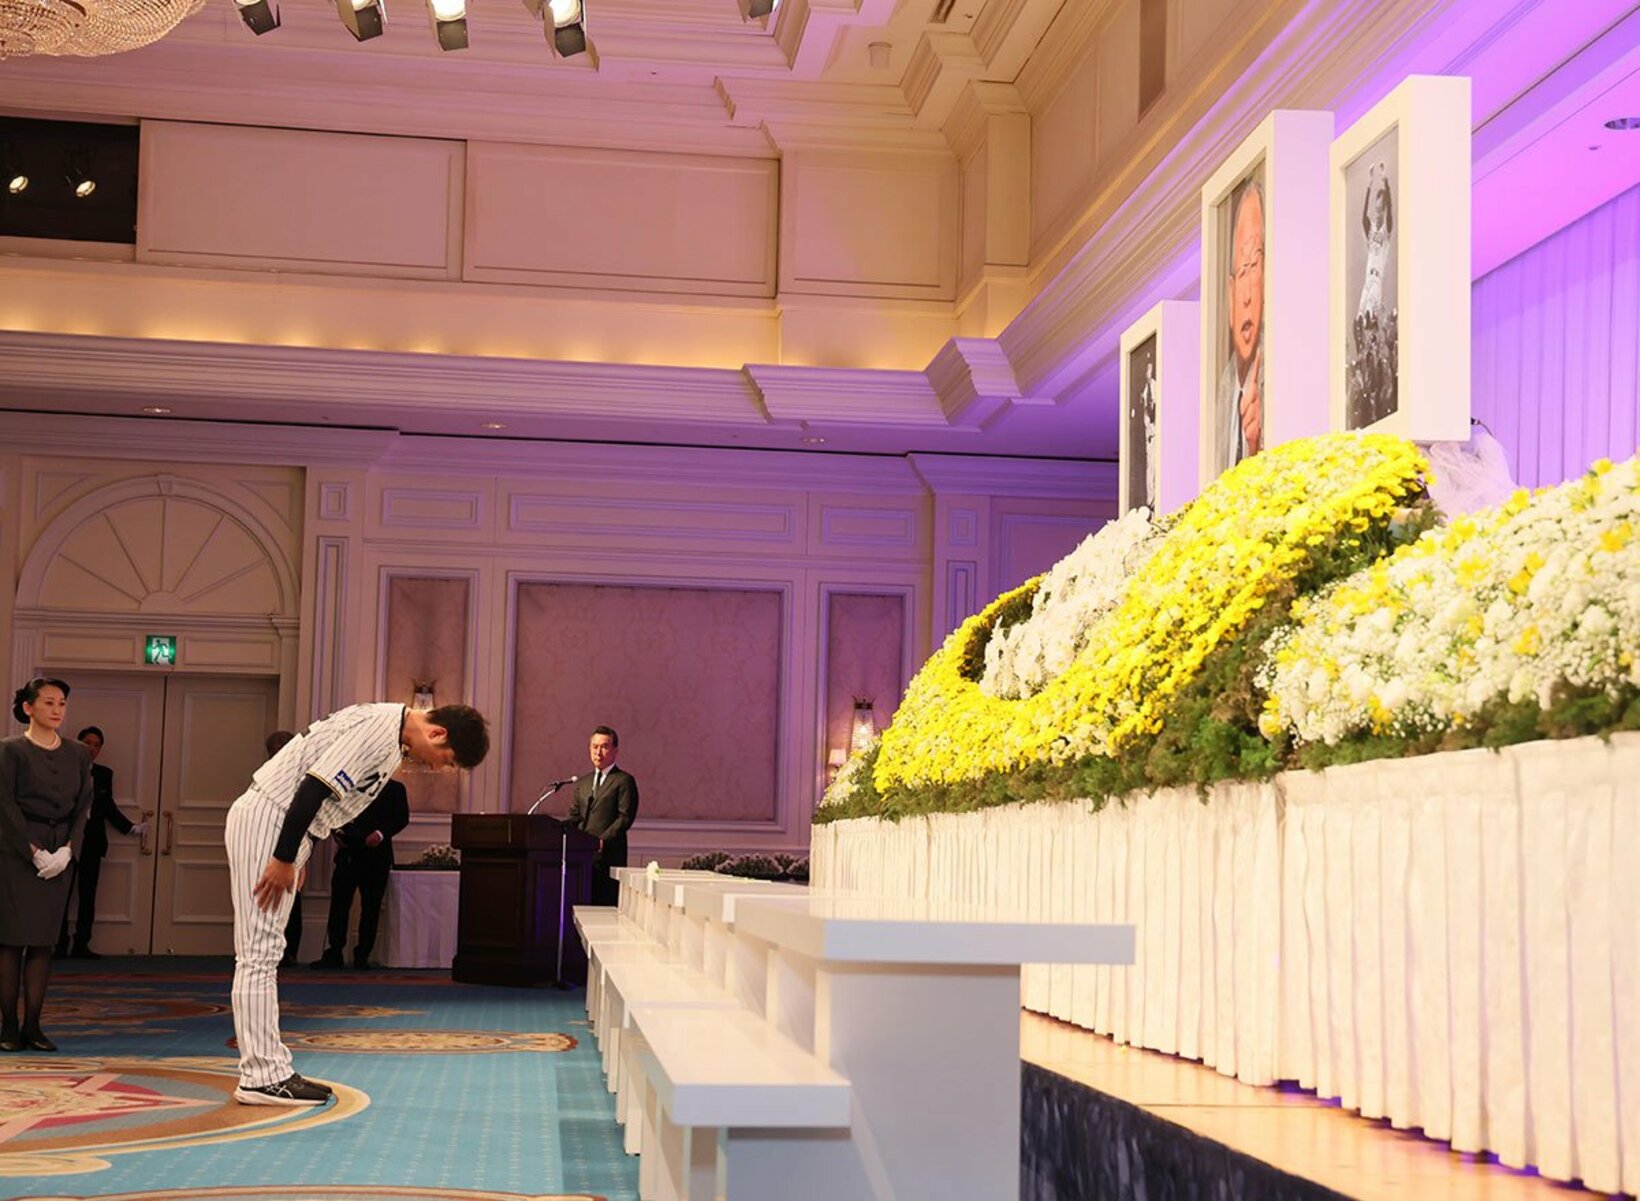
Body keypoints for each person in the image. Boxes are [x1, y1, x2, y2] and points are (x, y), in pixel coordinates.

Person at [225, 701, 488, 1105]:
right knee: (258, 954)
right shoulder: (378, 729)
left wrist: (300, 852)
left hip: (280, 824)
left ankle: (270, 1068)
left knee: (265, 952)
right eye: (445, 760)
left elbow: (323, 801)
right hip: (270, 817)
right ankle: (260, 1076)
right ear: (438, 733)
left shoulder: (391, 735)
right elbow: (313, 787)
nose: (437, 767)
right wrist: (282, 854)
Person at [0, 678, 92, 1053]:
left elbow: (83, 805)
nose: (57, 710)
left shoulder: (78, 753)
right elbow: (4, 806)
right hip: (17, 852)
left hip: (60, 852)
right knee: (10, 942)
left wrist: (69, 849)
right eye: (49, 703)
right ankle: (8, 1026)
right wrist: (32, 850)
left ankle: (34, 1025)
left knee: (43, 944)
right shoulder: (9, 750)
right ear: (29, 708)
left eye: (63, 704)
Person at [57, 726, 145, 959]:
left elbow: (107, 807)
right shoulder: (64, 770)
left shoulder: (104, 774)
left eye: (97, 744)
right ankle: (58, 945)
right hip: (66, 842)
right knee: (61, 895)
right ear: (79, 744)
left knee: (88, 894)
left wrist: (130, 828)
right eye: (88, 742)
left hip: (93, 842)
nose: (92, 748)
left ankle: (81, 945)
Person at [310, 776, 409, 970]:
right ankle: (335, 951)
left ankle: (363, 955)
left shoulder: (395, 788)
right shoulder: (349, 786)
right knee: (339, 904)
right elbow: (333, 811)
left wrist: (380, 834)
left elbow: (401, 818)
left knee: (371, 907)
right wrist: (337, 832)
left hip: (377, 855)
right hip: (349, 852)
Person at [1215, 177, 1265, 474]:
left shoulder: (1276, 377)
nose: (1246, 296)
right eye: (1241, 272)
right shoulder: (1224, 389)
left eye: (1255, 268)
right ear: (1230, 291)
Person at [566, 726, 639, 907]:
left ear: (615, 751)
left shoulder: (624, 780)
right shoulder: (583, 782)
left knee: (603, 909)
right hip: (582, 858)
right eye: (594, 747)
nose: (598, 752)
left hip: (608, 856)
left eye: (604, 747)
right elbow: (575, 816)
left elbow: (625, 817)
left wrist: (601, 841)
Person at [259, 731, 305, 968]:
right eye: (273, 751)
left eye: (281, 749)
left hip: (292, 849)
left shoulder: (303, 779)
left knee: (291, 902)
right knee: (263, 898)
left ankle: (289, 952)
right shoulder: (261, 777)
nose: (277, 754)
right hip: (261, 845)